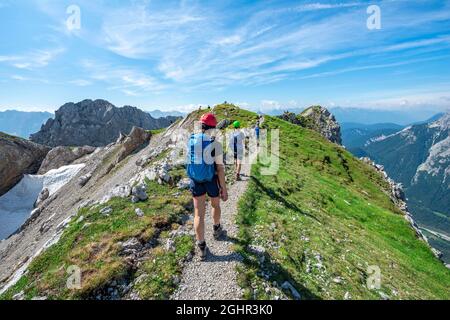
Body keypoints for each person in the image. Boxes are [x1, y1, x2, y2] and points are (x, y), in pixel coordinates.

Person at [186, 113, 228, 260]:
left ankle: (201, 247)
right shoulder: (214, 143)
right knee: (215, 205)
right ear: (212, 127)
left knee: (198, 213)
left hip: (196, 180)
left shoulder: (191, 140)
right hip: (211, 179)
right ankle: (217, 229)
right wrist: (224, 188)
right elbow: (220, 168)